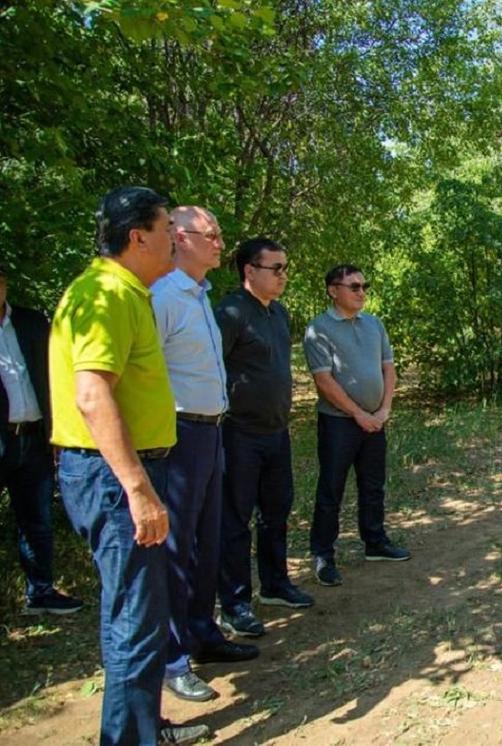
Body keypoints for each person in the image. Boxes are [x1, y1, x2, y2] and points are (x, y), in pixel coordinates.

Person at [49, 186, 208, 744]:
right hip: (116, 479)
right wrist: (139, 489)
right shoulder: (104, 295)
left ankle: (146, 726)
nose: (175, 240)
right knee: (136, 622)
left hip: (125, 473)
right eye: (168, 229)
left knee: (140, 612)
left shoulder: (128, 292)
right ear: (138, 236)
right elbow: (92, 394)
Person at [151, 207, 259, 703]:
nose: (220, 242)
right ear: (178, 238)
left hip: (211, 432)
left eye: (218, 233)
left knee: (206, 544)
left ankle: (203, 633)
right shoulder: (162, 296)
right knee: (175, 552)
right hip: (177, 436)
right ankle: (173, 659)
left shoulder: (200, 298)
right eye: (209, 234)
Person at [215, 237, 313, 638]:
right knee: (235, 520)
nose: (283, 276)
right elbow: (210, 366)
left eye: (285, 268)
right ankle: (235, 603)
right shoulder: (231, 311)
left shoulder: (278, 313)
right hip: (239, 433)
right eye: (276, 268)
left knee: (276, 511)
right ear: (249, 271)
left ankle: (275, 585)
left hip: (276, 431)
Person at [303, 264, 409, 587]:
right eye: (354, 287)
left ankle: (375, 541)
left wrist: (385, 409)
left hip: (377, 419)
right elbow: (324, 381)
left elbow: (388, 369)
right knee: (331, 489)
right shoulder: (318, 329)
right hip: (339, 424)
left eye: (364, 286)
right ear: (333, 291)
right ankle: (323, 554)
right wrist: (358, 414)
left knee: (374, 484)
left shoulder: (374, 324)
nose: (361, 292)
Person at [0, 265, 83, 616]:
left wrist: (58, 430)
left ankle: (41, 591)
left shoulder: (31, 323)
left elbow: (56, 376)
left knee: (37, 518)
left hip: (34, 436)